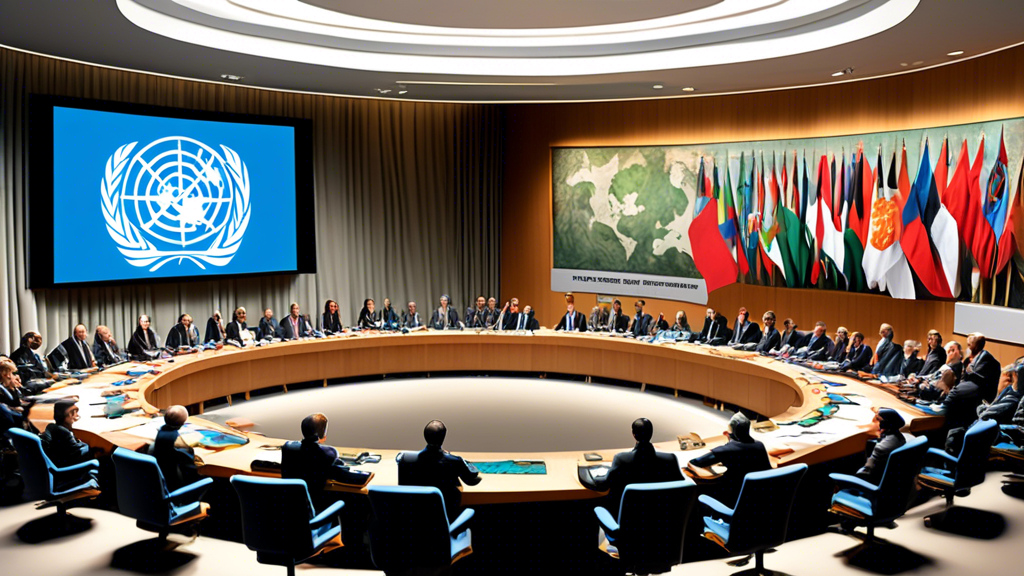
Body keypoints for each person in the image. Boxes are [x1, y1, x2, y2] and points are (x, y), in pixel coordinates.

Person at [398, 420, 481, 521]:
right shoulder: (454, 461)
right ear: (443, 437)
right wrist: (465, 462)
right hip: (446, 518)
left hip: (413, 518)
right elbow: (472, 476)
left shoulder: (405, 459)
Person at [596, 418, 683, 505]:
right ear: (651, 433)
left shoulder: (621, 459)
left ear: (633, 434)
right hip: (660, 513)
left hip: (628, 514)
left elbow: (606, 483)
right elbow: (681, 485)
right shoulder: (670, 460)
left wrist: (593, 476)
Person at [689, 413, 771, 504]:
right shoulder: (760, 445)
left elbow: (694, 462)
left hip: (733, 500)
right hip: (761, 500)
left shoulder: (726, 450)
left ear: (727, 433)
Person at [281, 413, 350, 507]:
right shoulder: (329, 453)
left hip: (287, 510)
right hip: (313, 513)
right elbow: (341, 468)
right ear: (323, 434)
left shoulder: (288, 447)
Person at [147, 405, 199, 491]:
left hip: (163, 477)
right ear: (183, 422)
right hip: (177, 482)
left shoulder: (161, 430)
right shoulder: (179, 440)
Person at [856, 409, 907, 485]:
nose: (873, 421)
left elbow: (865, 472)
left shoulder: (881, 448)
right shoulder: (899, 438)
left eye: (877, 419)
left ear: (884, 424)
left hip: (869, 482)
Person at [40, 399, 92, 467]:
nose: (77, 416)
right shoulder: (64, 433)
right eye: (75, 413)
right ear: (69, 415)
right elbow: (78, 452)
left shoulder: (51, 427)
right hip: (68, 468)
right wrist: (90, 448)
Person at [961, 333, 1001, 402]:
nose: (968, 348)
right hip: (968, 392)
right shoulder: (967, 360)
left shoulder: (990, 362)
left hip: (981, 397)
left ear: (976, 345)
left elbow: (978, 383)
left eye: (969, 345)